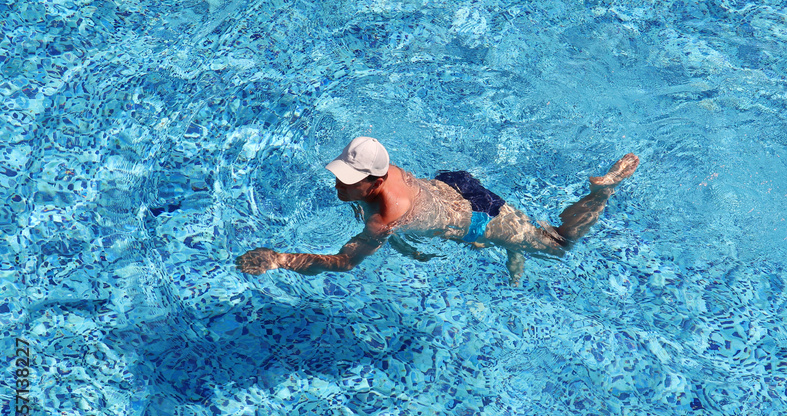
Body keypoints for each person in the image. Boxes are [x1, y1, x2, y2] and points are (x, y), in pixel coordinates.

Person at [235, 137, 638, 285]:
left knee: (560, 243)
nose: (338, 184)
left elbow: (343, 263)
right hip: (454, 186)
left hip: (473, 215)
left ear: (375, 181)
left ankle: (602, 192)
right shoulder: (382, 171)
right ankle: (513, 244)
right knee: (520, 237)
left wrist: (279, 260)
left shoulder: (382, 218)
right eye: (340, 174)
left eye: (348, 179)